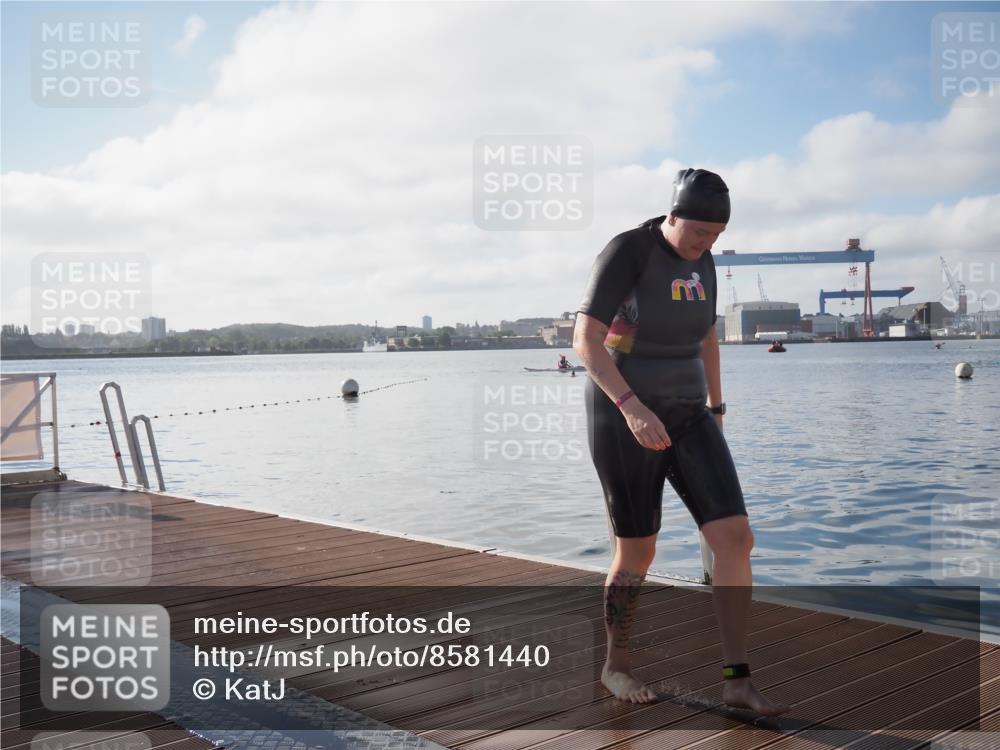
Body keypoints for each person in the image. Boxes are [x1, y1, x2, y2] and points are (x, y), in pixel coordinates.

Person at [573, 168, 791, 715]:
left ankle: (737, 680)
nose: (705, 245)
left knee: (735, 538)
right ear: (671, 217)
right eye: (698, 233)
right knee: (638, 551)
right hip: (624, 412)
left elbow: (707, 336)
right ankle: (615, 667)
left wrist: (716, 408)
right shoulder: (628, 251)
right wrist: (631, 407)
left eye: (715, 237)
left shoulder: (706, 261)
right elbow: (586, 341)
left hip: (690, 413)